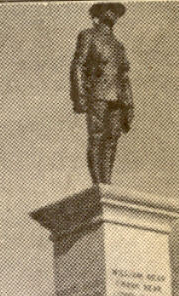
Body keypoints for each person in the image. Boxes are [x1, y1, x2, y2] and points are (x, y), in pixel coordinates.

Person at [70, 2, 134, 183]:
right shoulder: (88, 36)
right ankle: (98, 182)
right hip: (97, 93)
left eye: (115, 11)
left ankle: (107, 180)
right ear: (98, 13)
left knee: (112, 137)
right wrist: (80, 95)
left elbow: (124, 78)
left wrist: (129, 105)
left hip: (117, 97)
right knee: (96, 136)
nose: (112, 13)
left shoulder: (119, 46)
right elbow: (78, 66)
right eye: (108, 9)